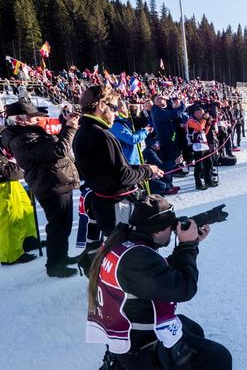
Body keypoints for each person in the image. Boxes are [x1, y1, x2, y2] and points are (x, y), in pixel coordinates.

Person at [86, 195, 232, 370]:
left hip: (123, 326)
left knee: (193, 329)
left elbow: (158, 276)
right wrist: (187, 246)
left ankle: (119, 362)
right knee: (221, 363)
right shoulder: (137, 259)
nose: (174, 230)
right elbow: (183, 288)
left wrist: (190, 245)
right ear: (154, 231)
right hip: (139, 338)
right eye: (170, 227)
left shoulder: (123, 244)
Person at [1, 99, 81, 277]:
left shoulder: (27, 133)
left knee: (62, 226)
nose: (36, 120)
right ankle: (55, 265)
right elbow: (57, 151)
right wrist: (70, 128)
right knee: (57, 227)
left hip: (55, 181)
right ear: (20, 119)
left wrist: (64, 124)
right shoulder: (23, 138)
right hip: (50, 184)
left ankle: (61, 257)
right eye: (32, 117)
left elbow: (53, 147)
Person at [73, 85, 164, 240]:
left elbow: (110, 169)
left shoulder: (83, 131)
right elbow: (121, 176)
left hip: (105, 204)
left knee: (117, 248)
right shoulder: (101, 135)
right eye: (114, 108)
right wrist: (148, 172)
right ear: (101, 105)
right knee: (128, 249)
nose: (115, 114)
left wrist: (141, 168)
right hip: (117, 206)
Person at [0, 142, 38, 265]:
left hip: (10, 178)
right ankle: (10, 254)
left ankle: (28, 240)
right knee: (10, 216)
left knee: (26, 208)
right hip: (3, 180)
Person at [110, 99, 153, 166]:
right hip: (128, 162)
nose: (127, 109)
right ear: (122, 108)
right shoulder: (117, 124)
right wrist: (145, 131)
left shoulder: (125, 121)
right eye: (125, 107)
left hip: (133, 160)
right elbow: (131, 139)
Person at [187, 105, 218, 190]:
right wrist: (204, 120)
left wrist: (208, 123)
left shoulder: (201, 121)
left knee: (209, 163)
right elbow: (199, 127)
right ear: (196, 113)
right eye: (201, 113)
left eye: (203, 113)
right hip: (197, 146)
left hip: (204, 145)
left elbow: (205, 132)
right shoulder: (190, 121)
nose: (203, 115)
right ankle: (198, 183)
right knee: (199, 166)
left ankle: (208, 180)